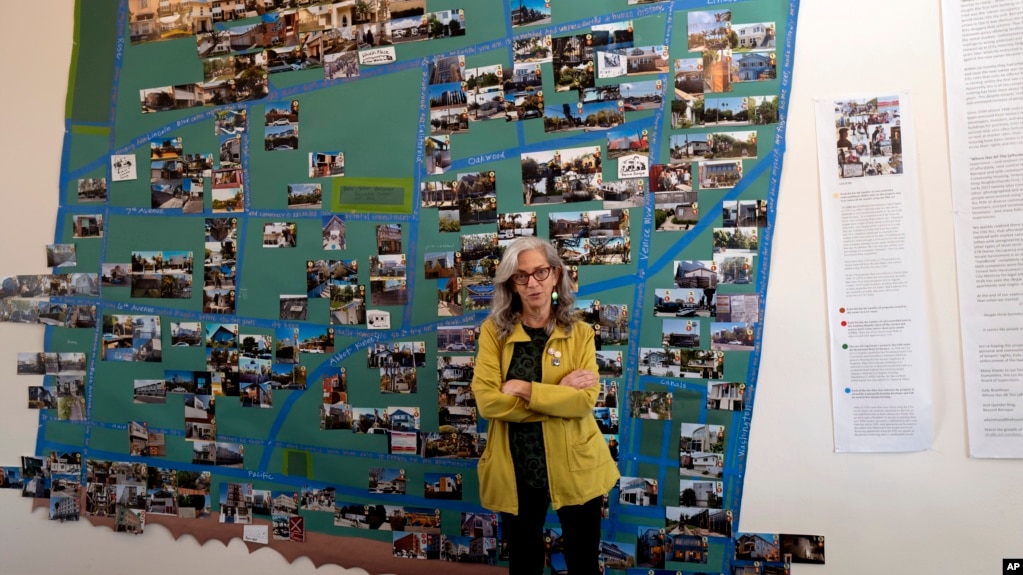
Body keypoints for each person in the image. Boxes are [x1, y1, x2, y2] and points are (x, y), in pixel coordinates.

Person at [472, 237, 619, 575]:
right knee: (524, 561)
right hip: (518, 465)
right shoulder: (493, 333)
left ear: (555, 275)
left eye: (540, 272)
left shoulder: (580, 333)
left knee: (583, 560)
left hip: (576, 463)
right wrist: (557, 394)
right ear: (511, 282)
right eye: (521, 276)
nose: (532, 283)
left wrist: (524, 388)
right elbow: (488, 403)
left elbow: (582, 402)